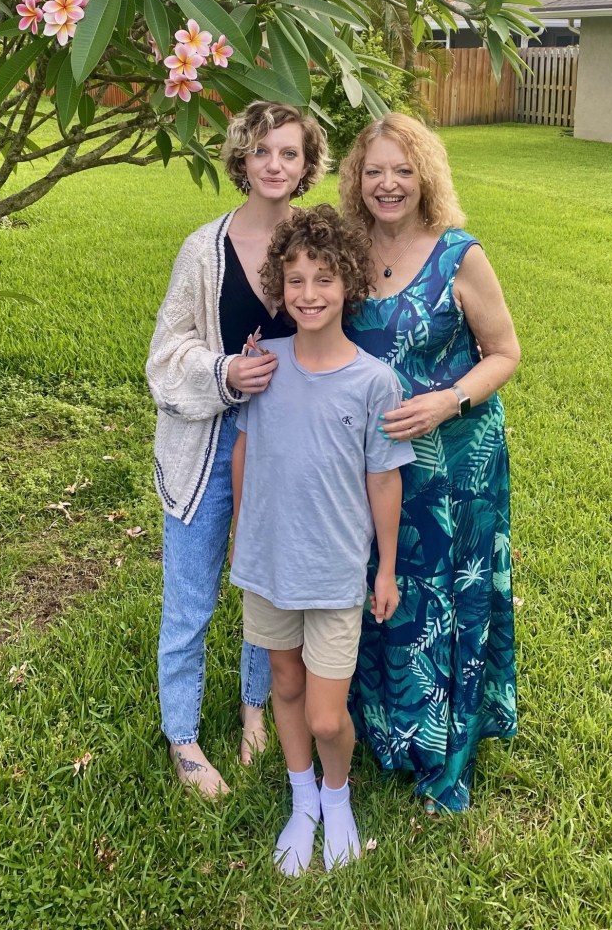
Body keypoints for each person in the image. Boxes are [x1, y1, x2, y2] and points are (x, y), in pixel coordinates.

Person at [338, 113, 521, 814]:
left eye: (403, 170)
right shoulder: (346, 251)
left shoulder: (458, 255)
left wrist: (447, 401)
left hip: (454, 465)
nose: (388, 184)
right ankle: (384, 729)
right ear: (357, 179)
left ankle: (446, 749)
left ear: (426, 177)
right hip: (373, 463)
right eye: (374, 171)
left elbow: (504, 353)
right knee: (382, 587)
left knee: (446, 595)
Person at [146, 102, 329, 795]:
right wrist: (225, 373)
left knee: (266, 585)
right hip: (210, 444)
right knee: (190, 595)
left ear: (307, 164)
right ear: (241, 160)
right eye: (261, 151)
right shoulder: (205, 249)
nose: (275, 165)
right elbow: (165, 355)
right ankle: (183, 736)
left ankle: (257, 708)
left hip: (289, 444)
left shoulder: (317, 243)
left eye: (289, 153)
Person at [229, 206, 415, 875]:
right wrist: (241, 536)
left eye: (324, 279)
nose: (309, 294)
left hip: (335, 571)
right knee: (284, 684)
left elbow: (384, 479)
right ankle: (302, 797)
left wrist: (385, 569)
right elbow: (243, 451)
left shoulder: (374, 382)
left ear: (349, 284)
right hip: (268, 563)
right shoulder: (264, 364)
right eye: (296, 280)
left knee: (327, 716)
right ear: (280, 287)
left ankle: (338, 799)